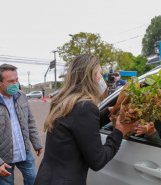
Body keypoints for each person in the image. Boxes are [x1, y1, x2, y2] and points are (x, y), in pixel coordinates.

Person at [34, 54, 135, 185]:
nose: (101, 79)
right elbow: (97, 161)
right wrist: (119, 132)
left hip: (47, 177)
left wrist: (108, 113)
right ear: (90, 76)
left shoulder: (64, 101)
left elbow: (79, 127)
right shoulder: (85, 107)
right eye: (100, 74)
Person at [0, 64, 43, 185]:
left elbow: (30, 121)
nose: (15, 84)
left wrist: (36, 143)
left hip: (24, 152)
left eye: (16, 80)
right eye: (11, 81)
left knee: (34, 180)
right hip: (3, 158)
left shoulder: (21, 96)